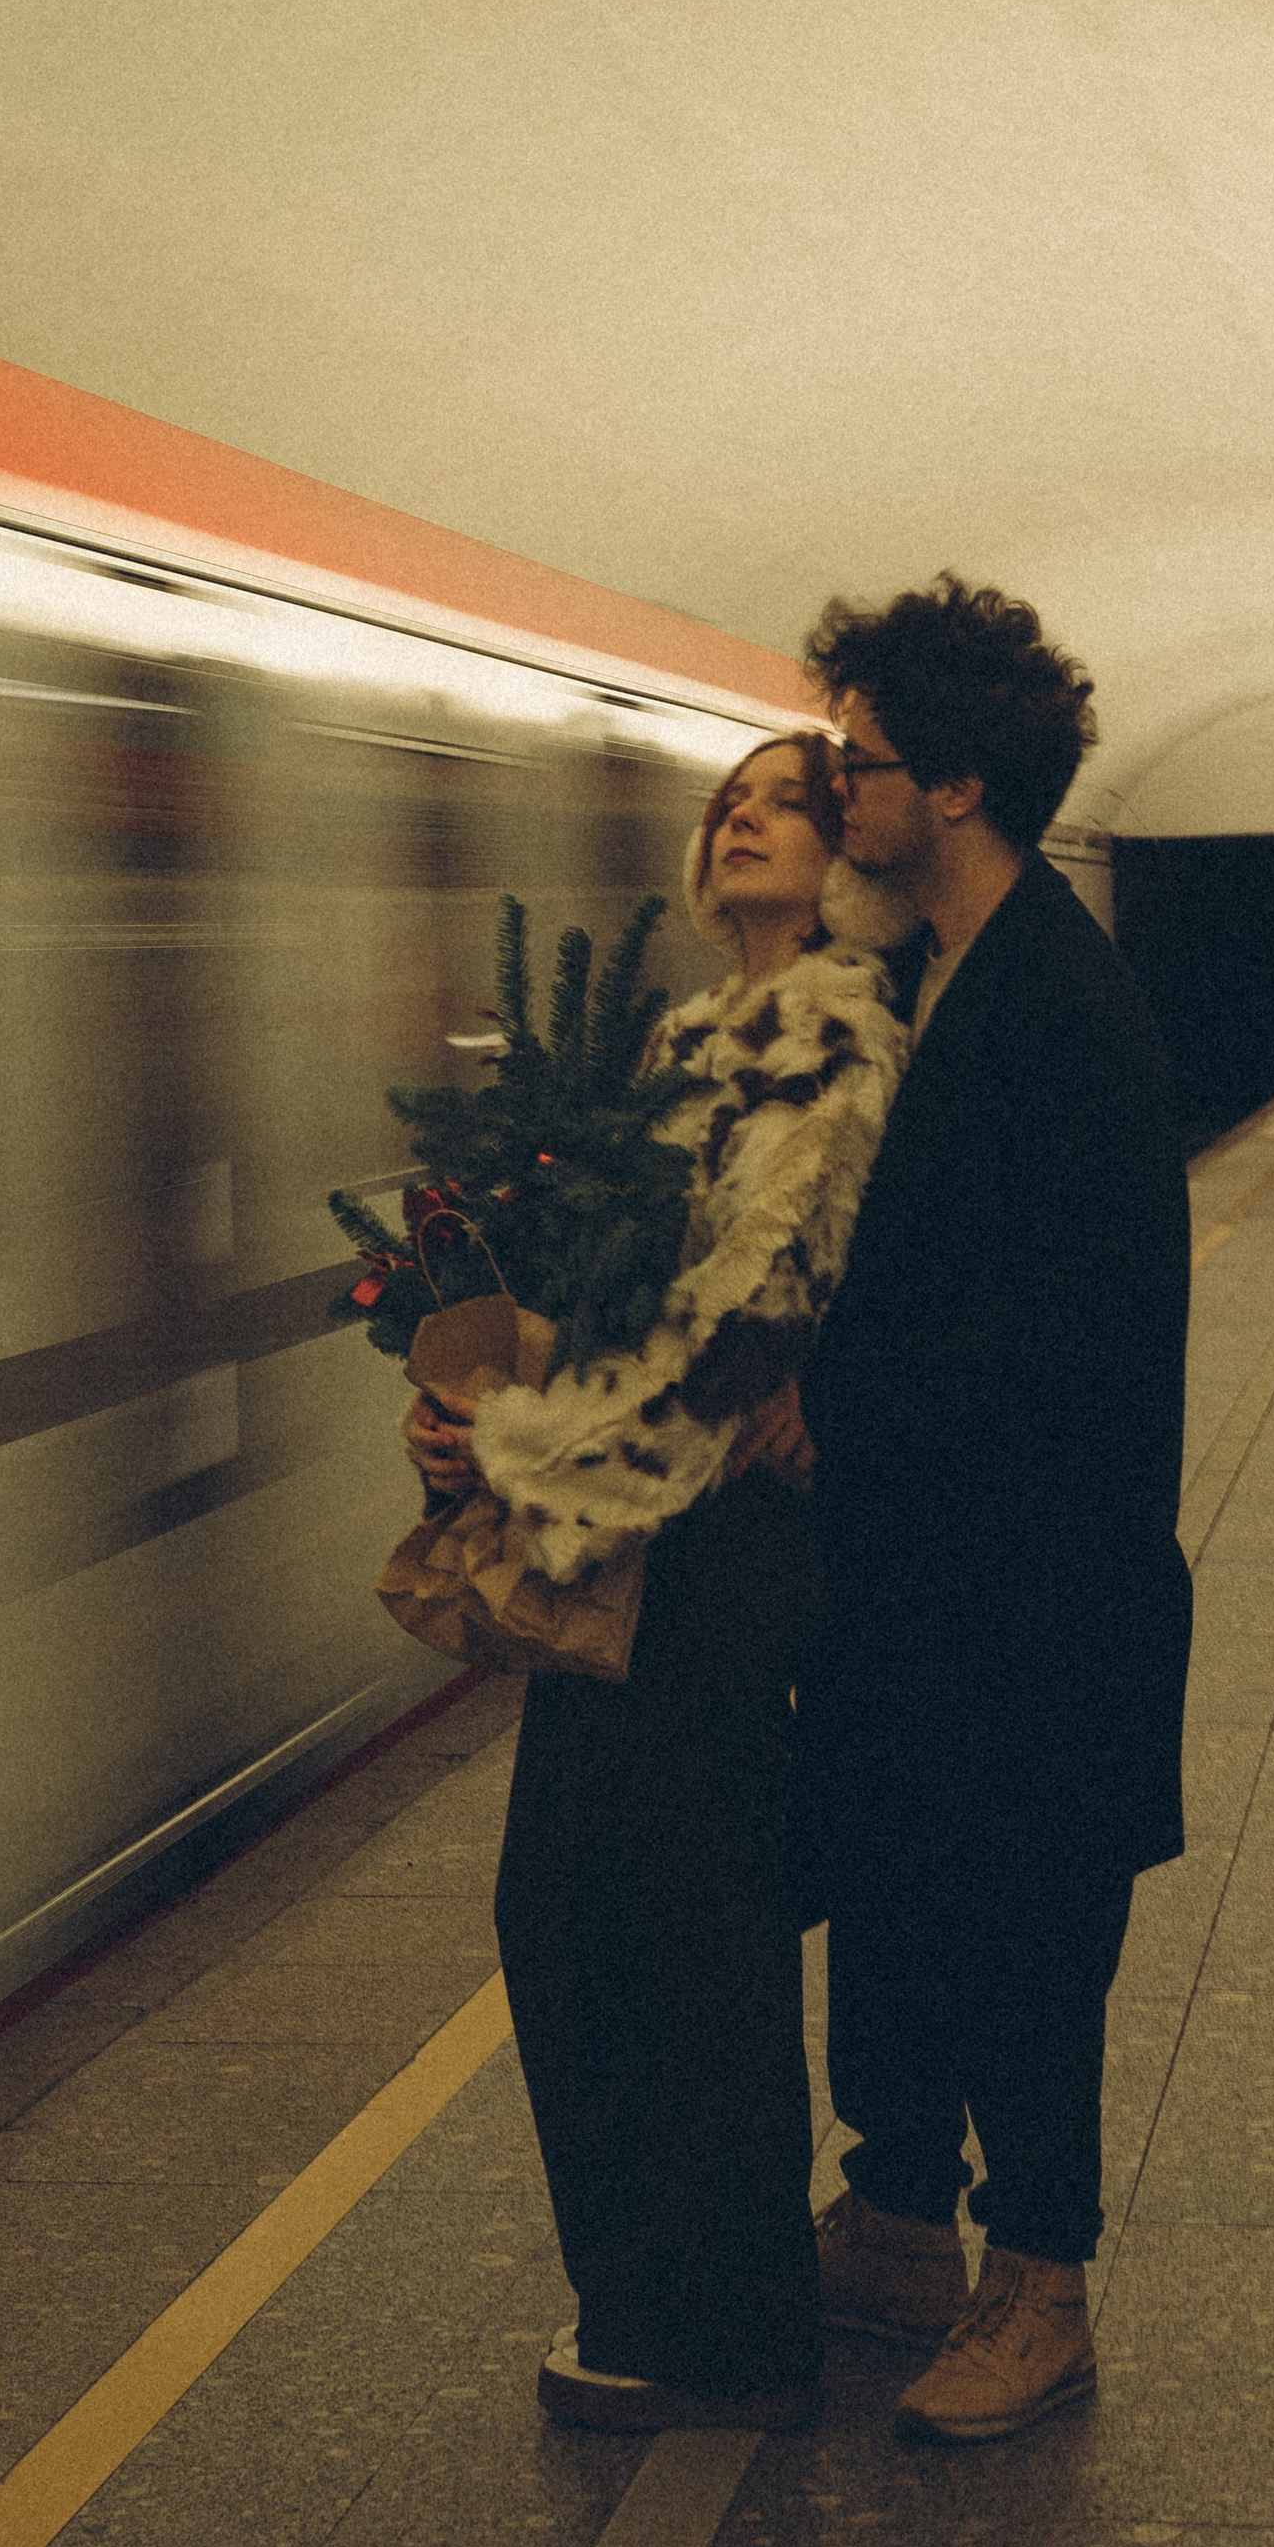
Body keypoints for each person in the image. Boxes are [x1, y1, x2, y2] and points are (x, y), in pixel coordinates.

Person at [403, 734, 910, 2432]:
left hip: (719, 1551)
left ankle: (723, 2322)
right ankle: (653, 2294)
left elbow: (745, 1320)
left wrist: (519, 1452)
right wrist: (474, 1396)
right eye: (729, 799)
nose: (739, 812)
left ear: (851, 843)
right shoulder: (683, 1044)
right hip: (631, 1530)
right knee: (583, 1915)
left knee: (671, 1932)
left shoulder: (837, 1038)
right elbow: (603, 1292)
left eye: (784, 795)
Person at [788, 575, 1193, 2446]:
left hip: (1037, 1587)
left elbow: (1050, 1329)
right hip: (934, 1582)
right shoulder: (933, 973)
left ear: (952, 785)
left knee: (1033, 1941)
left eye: (851, 760)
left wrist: (827, 1408)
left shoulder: (1061, 1005)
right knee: (917, 1905)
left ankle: (1046, 2292)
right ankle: (896, 2224)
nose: (830, 790)